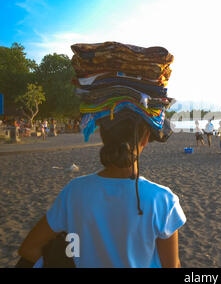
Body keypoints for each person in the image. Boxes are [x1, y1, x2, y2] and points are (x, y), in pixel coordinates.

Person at [16, 114, 186, 268]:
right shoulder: (162, 199)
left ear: (103, 136)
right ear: (145, 139)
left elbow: (29, 249)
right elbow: (171, 265)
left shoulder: (74, 192)